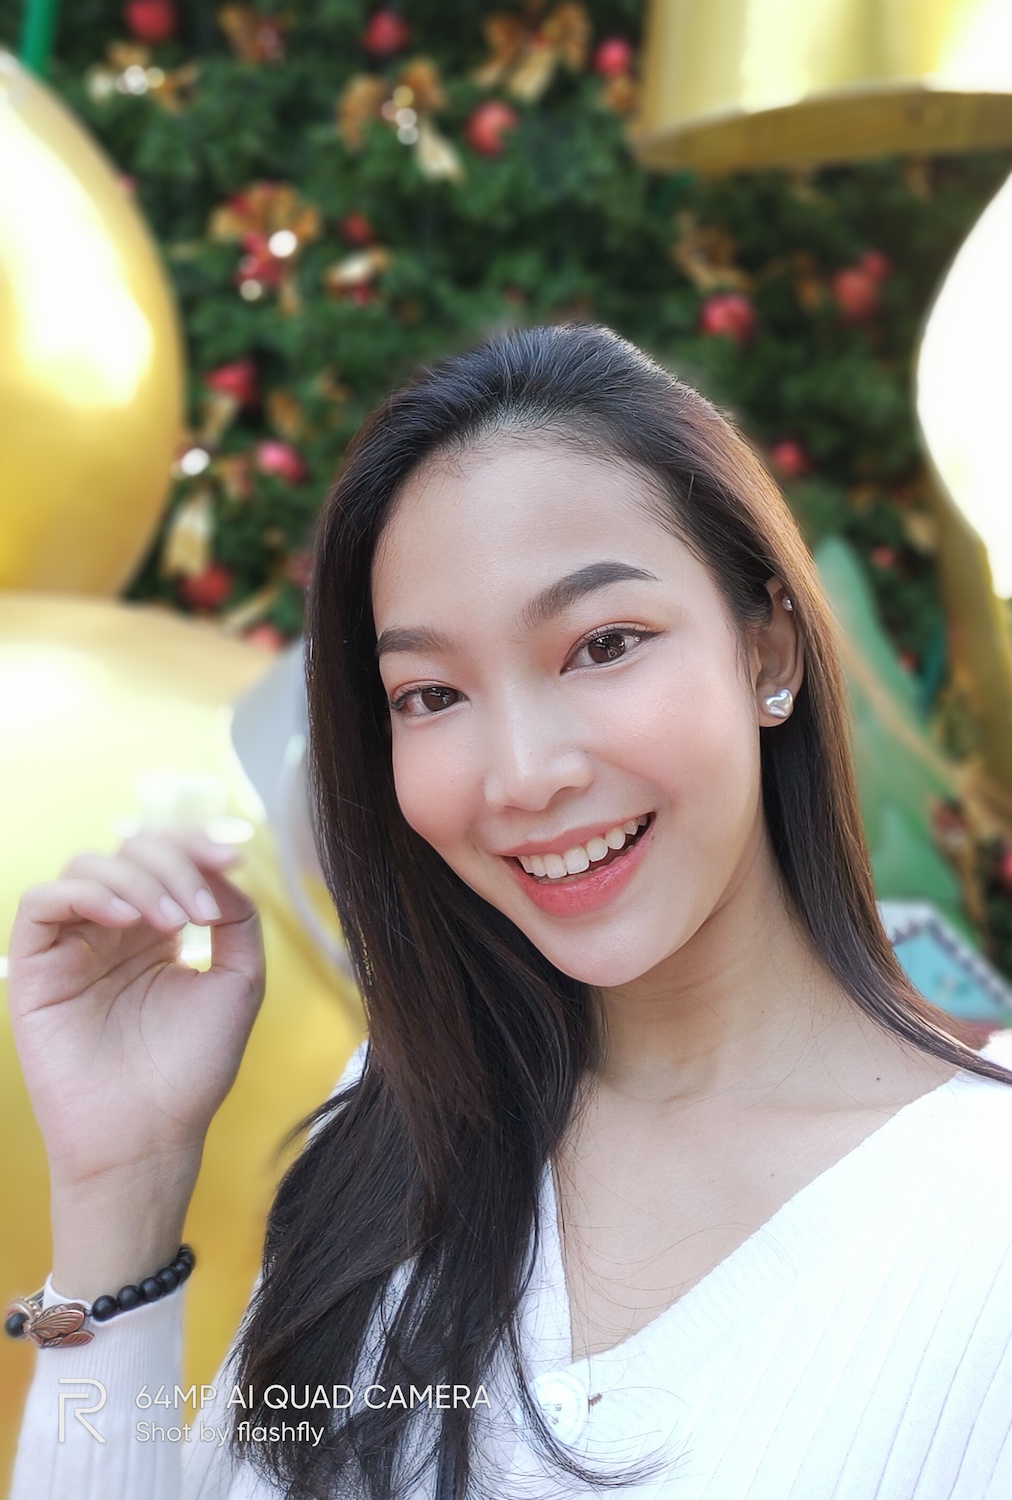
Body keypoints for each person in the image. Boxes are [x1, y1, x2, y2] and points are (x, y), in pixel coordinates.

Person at [8, 323, 1012, 1500]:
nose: (523, 776)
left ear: (767, 649)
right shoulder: (387, 1144)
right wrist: (119, 1189)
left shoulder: (978, 1207)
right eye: (431, 694)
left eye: (602, 645)